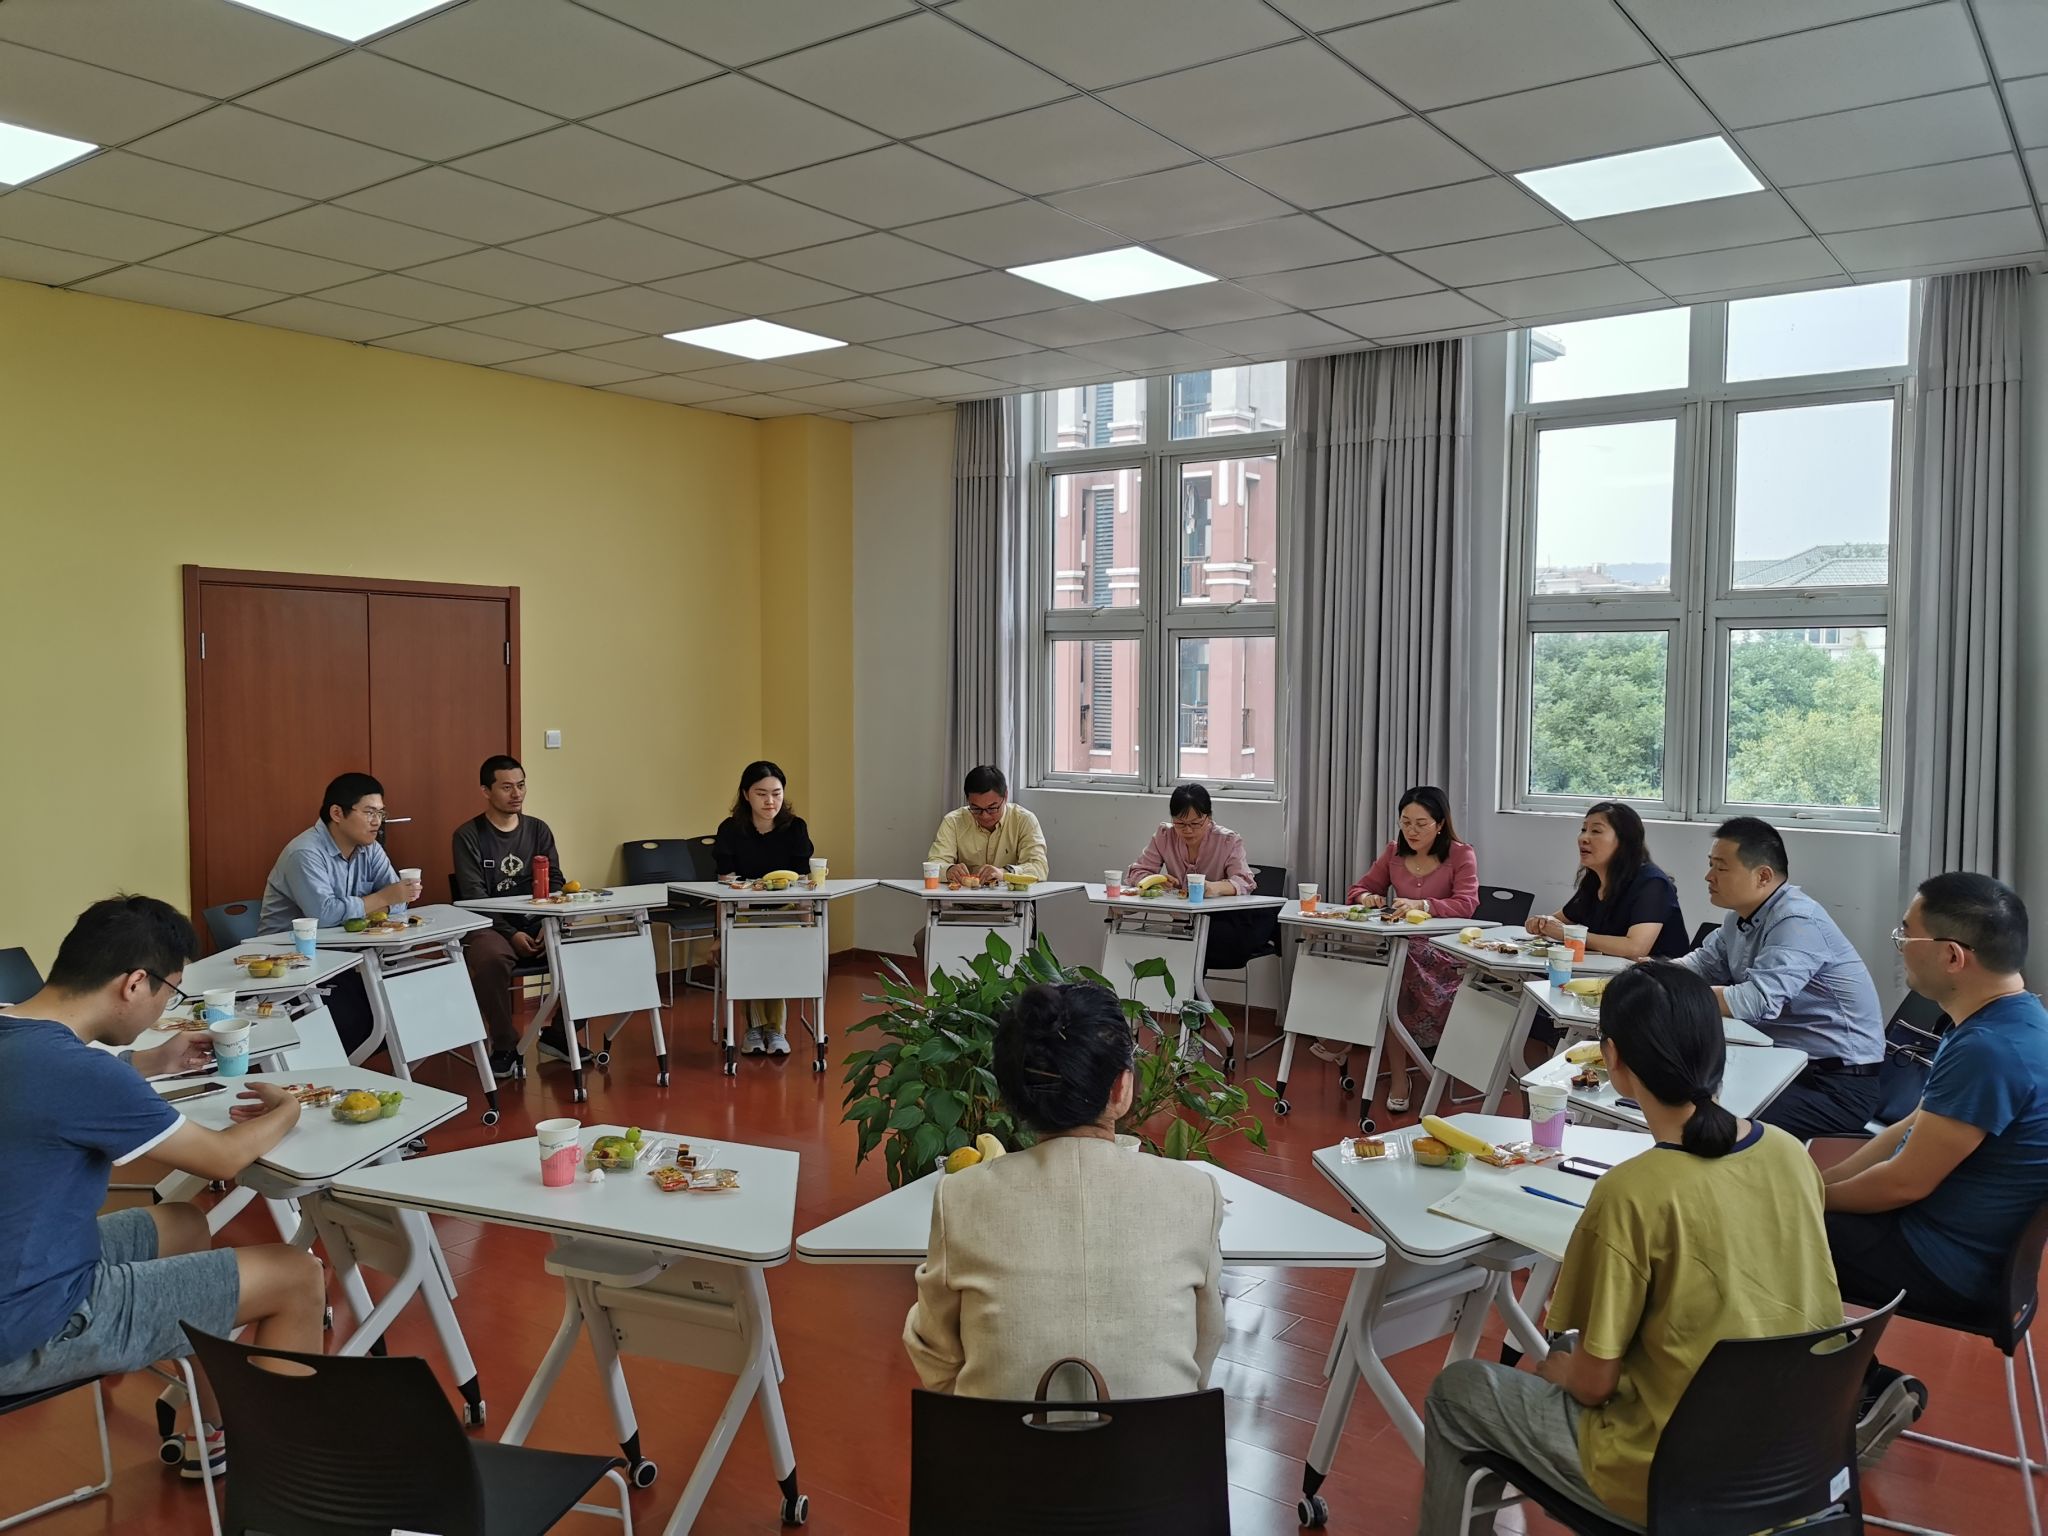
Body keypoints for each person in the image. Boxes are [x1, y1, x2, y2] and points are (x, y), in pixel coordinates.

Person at [1416, 962, 1842, 1534]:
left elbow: (1594, 1384)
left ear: (1611, 1058)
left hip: (1674, 1476)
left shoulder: (1633, 1191)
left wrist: (1561, 1371)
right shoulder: (1789, 1152)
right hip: (1797, 1457)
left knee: (1459, 1391)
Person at [0, 896, 326, 1479]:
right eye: (169, 993)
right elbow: (222, 1158)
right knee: (296, 1275)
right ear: (134, 984)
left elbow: (49, 1093)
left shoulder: (14, 1025)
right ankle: (283, 1480)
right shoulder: (84, 1074)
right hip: (29, 1326)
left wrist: (148, 1062)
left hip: (26, 1269)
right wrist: (288, 1111)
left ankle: (216, 1424)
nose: (163, 1008)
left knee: (183, 1222)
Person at [902, 980, 1223, 1400]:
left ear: (1012, 1093)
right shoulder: (1196, 1192)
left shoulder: (960, 1197)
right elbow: (1205, 1343)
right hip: (1159, 1440)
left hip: (996, 1440)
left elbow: (934, 1350)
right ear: (1121, 1088)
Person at [1824, 874, 2048, 1465]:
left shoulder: (1988, 1050)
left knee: (1752, 1232)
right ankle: (1850, 1385)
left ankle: (1860, 1392)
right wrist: (1820, 1185)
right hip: (1973, 1251)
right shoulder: (2012, 1019)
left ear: (1952, 956)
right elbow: (1909, 1127)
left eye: (1907, 935)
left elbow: (1904, 1182)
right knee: (1782, 1214)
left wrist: (1798, 1201)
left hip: (1949, 1265)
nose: (1899, 946)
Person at [1679, 817, 1885, 1139]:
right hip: (1784, 1066)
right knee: (1678, 1087)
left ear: (1763, 876)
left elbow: (1757, 1001)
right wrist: (1648, 975)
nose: (1709, 876)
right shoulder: (1739, 917)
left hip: (1834, 1086)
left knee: (1704, 1117)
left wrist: (1673, 994)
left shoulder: (1796, 920)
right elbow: (1702, 964)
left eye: (1721, 868)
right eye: (1710, 865)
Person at [1315, 786, 1481, 1114]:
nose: (1412, 831)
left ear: (1440, 824)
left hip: (1444, 951)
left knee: (1394, 971)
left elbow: (1467, 904)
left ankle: (1343, 1039)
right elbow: (1359, 889)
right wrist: (1368, 898)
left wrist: (1423, 905)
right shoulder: (1394, 852)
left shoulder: (1460, 854)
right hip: (1398, 947)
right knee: (1375, 965)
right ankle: (1394, 1072)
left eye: (1421, 824)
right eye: (1405, 822)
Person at [258, 772, 421, 1052]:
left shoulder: (370, 848)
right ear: (337, 813)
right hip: (293, 966)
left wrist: (382, 900)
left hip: (343, 957)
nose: (377, 822)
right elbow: (325, 916)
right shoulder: (305, 853)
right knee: (363, 1017)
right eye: (369, 813)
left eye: (381, 813)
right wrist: (381, 898)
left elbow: (400, 901)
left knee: (408, 1001)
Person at [452, 754, 565, 1078]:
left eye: (521, 785)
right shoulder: (468, 835)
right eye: (506, 787)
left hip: (537, 919)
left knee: (586, 946)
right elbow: (474, 897)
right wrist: (510, 933)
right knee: (490, 957)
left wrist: (549, 922)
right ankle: (504, 1045)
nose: (516, 794)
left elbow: (555, 880)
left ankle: (559, 1035)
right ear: (486, 791)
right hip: (490, 925)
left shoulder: (538, 830)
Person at [713, 761, 815, 1057]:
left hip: (786, 911)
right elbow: (725, 886)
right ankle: (758, 1029)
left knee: (777, 950)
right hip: (743, 912)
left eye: (776, 793)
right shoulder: (730, 830)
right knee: (751, 947)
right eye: (761, 794)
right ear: (746, 794)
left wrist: (808, 924)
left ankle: (771, 1029)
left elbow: (803, 881)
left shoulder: (795, 828)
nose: (770, 801)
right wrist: (720, 934)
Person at [1123, 782, 1275, 978]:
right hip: (1186, 925)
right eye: (1180, 823)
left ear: (1208, 817)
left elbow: (1245, 881)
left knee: (1187, 951)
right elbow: (1136, 872)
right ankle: (1187, 997)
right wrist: (1156, 881)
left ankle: (1190, 997)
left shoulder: (1227, 840)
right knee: (1178, 948)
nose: (1188, 830)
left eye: (1195, 824)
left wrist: (1214, 888)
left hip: (1224, 924)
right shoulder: (1165, 835)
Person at [1527, 802, 1688, 961]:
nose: (1583, 838)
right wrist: (1541, 922)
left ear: (1624, 841)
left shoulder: (1653, 884)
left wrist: (1568, 934)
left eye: (1596, 831)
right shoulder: (1595, 881)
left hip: (1656, 975)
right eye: (1583, 830)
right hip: (1607, 971)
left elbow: (1635, 948)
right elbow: (1558, 920)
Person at [927, 765, 1048, 886]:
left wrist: (1004, 873)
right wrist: (948, 870)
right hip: (964, 896)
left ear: (1005, 796)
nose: (984, 816)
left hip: (1009, 897)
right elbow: (933, 864)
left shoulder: (1024, 820)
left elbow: (1040, 867)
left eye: (992, 808)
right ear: (968, 800)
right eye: (976, 809)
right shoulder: (953, 821)